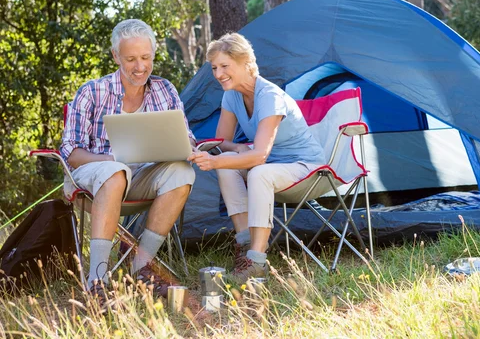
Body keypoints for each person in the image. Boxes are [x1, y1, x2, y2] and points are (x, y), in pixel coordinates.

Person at [60, 19, 196, 301]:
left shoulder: (165, 90)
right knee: (115, 171)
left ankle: (141, 268)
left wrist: (186, 149)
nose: (140, 66)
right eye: (131, 59)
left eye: (146, 58)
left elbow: (188, 138)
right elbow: (70, 151)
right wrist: (112, 159)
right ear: (115, 56)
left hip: (143, 179)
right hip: (94, 179)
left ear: (154, 55)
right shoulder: (92, 91)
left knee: (182, 172)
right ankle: (97, 281)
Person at [188, 33, 325, 284]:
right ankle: (244, 244)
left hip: (308, 169)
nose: (218, 74)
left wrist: (217, 160)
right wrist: (235, 150)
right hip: (274, 168)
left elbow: (260, 156)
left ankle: (256, 262)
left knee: (256, 171)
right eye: (215, 68)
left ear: (246, 63)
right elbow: (222, 142)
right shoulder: (231, 95)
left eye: (225, 66)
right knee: (230, 166)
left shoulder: (269, 97)